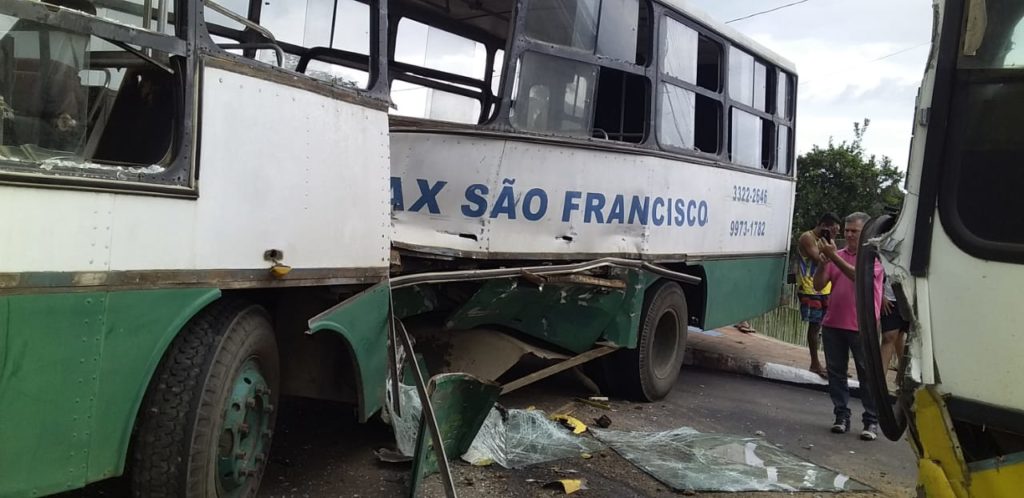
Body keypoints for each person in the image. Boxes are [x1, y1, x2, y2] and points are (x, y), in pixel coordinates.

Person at [813, 212, 884, 441]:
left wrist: (833, 258)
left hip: (861, 326)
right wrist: (823, 264)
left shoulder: (873, 258)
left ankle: (871, 421)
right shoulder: (837, 255)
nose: (849, 234)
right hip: (834, 323)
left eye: (854, 230)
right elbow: (819, 285)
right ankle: (841, 416)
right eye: (847, 230)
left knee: (867, 375)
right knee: (836, 374)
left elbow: (857, 276)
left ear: (865, 233)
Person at [795, 213, 841, 377]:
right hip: (809, 287)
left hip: (825, 288)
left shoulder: (828, 241)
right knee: (814, 326)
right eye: (833, 230)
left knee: (825, 327)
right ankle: (815, 362)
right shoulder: (808, 237)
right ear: (824, 226)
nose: (834, 234)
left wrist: (830, 245)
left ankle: (829, 364)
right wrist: (829, 249)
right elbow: (818, 258)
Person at [880, 277, 909, 375]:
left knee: (902, 337)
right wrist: (881, 294)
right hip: (890, 297)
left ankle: (903, 375)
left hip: (911, 296)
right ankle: (881, 381)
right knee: (889, 337)